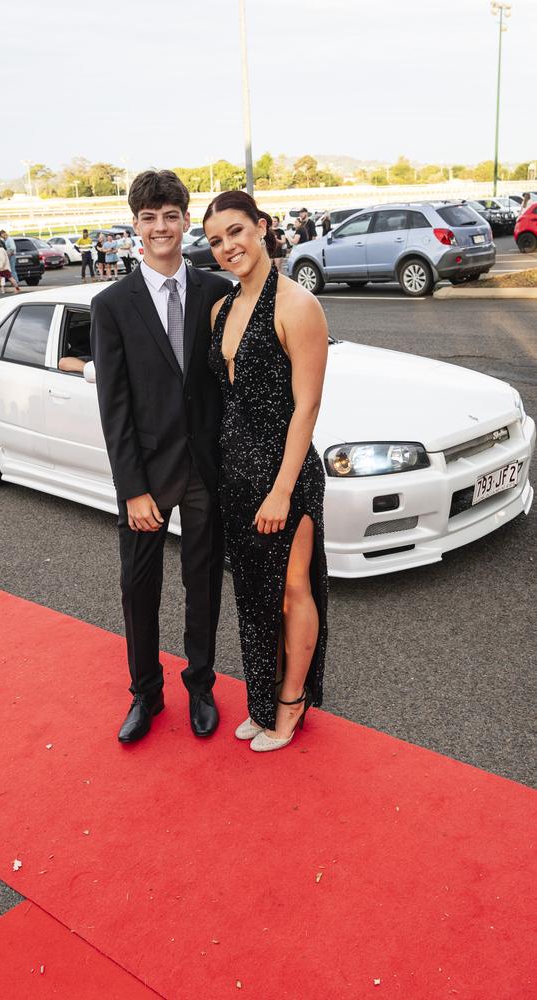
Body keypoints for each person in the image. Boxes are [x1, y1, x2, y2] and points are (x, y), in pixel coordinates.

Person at [90, 169, 232, 743]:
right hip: (146, 476)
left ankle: (200, 685)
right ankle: (145, 695)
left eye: (170, 216)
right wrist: (133, 489)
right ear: (135, 226)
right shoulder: (111, 304)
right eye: (149, 218)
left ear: (183, 220)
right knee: (139, 588)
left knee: (202, 585)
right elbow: (114, 406)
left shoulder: (217, 294)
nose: (160, 227)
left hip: (204, 470)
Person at [204, 190, 329, 752]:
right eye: (214, 240)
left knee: (291, 590)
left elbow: (307, 406)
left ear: (261, 227)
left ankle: (291, 700)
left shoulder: (297, 305)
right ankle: (260, 697)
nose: (228, 246)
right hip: (237, 476)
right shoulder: (221, 310)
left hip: (288, 476)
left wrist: (281, 490)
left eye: (235, 231)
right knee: (253, 595)